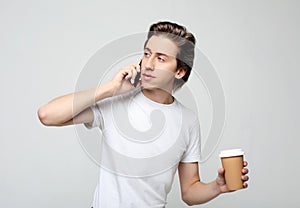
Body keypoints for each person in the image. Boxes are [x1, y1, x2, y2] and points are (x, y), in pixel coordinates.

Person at [38, 21, 249, 208]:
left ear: (179, 71)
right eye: (147, 53)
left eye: (161, 58)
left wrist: (217, 187)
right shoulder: (115, 101)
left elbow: (189, 192)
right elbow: (47, 115)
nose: (148, 64)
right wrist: (109, 89)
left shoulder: (189, 121)